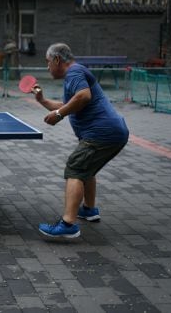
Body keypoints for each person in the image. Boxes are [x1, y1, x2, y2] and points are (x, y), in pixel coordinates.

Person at [30, 43, 129, 239]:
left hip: (101, 134)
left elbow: (83, 97)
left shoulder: (74, 73)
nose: (47, 67)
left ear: (57, 60)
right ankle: (89, 210)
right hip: (113, 132)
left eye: (48, 62)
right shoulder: (76, 73)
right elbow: (69, 104)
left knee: (75, 168)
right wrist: (42, 100)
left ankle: (68, 224)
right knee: (86, 169)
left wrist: (58, 114)